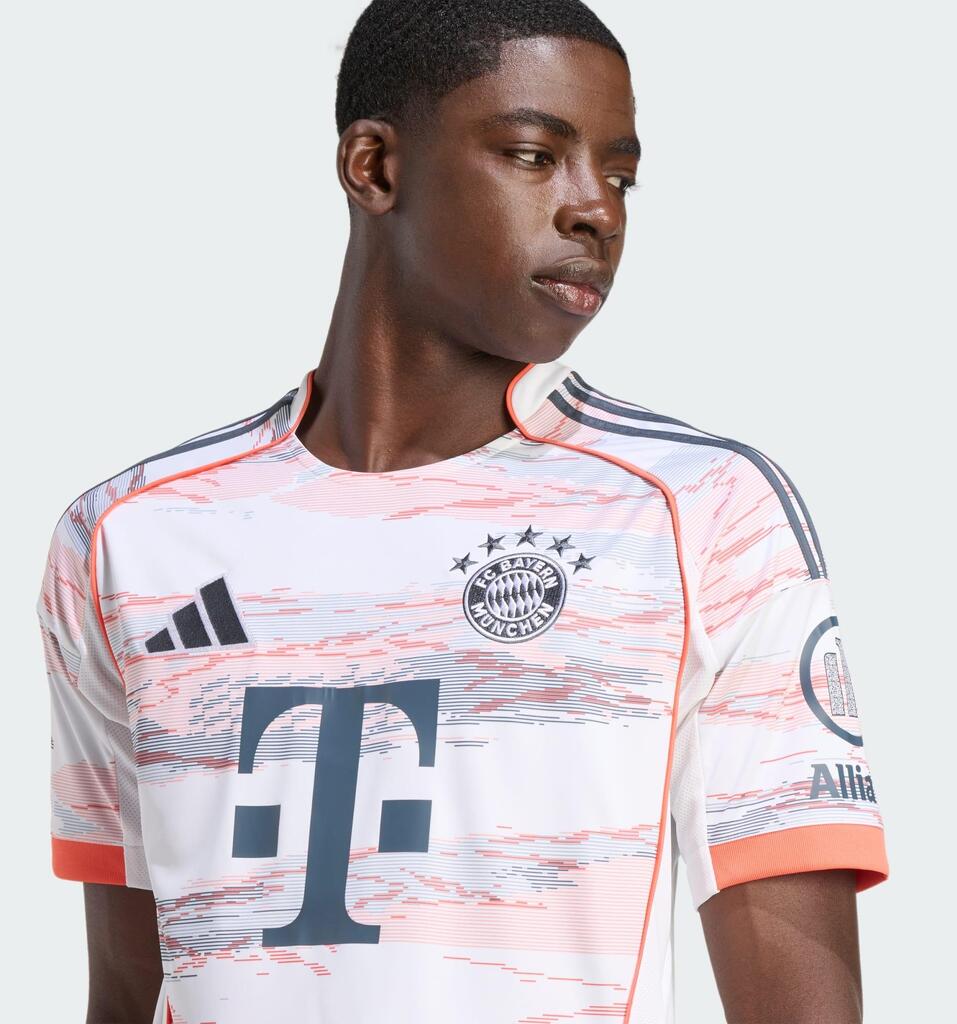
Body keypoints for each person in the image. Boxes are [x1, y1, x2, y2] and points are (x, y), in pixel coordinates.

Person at [36, 2, 888, 1022]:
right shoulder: (129, 537)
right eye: (535, 156)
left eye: (620, 176)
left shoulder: (701, 513)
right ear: (374, 167)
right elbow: (128, 989)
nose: (597, 210)